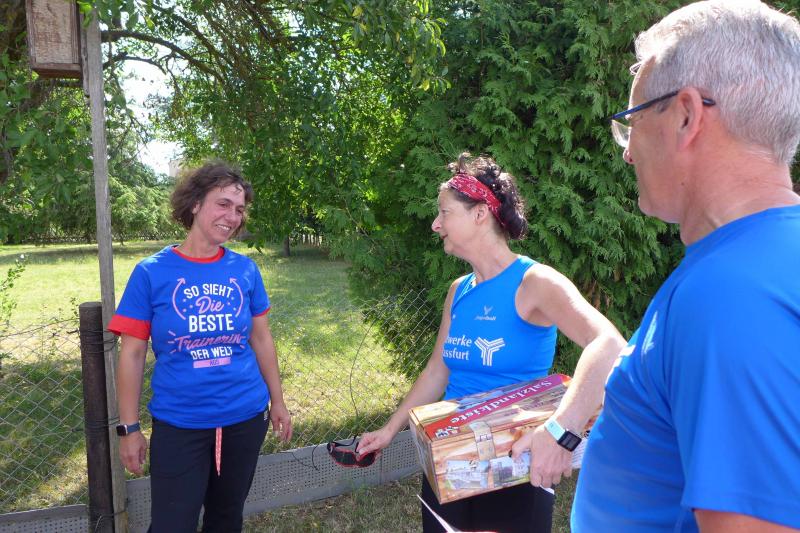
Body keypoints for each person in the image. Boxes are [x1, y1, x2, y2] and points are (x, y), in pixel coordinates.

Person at [571, 1, 800, 531]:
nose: (627, 153)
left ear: (686, 115)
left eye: (632, 122)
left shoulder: (728, 295)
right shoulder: (764, 261)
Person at [357, 152, 625, 533]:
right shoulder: (458, 291)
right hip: (450, 463)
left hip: (514, 465)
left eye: (444, 212)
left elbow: (610, 344)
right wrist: (389, 429)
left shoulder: (534, 282)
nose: (435, 224)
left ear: (480, 213)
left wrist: (561, 432)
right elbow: (437, 370)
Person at [108, 162, 292, 533]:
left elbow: (261, 338)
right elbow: (132, 353)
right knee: (171, 524)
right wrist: (129, 428)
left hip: (245, 417)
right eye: (223, 204)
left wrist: (278, 401)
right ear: (195, 204)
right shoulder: (151, 272)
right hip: (181, 423)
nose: (232, 217)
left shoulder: (245, 270)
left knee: (226, 519)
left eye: (239, 209)